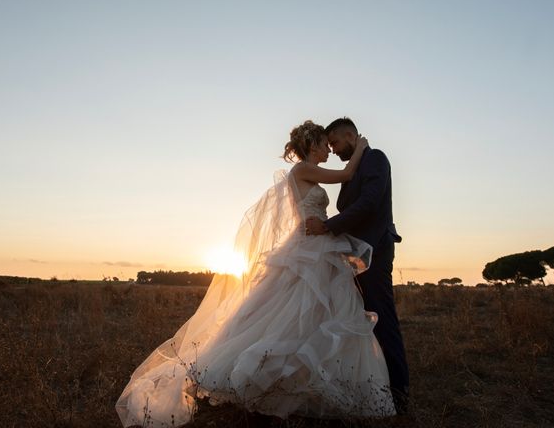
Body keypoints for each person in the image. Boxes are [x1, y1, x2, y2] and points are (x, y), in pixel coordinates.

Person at [116, 120, 395, 427]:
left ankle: (304, 386)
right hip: (309, 247)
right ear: (312, 145)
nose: (329, 148)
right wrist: (363, 148)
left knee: (313, 316)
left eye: (332, 144)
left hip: (318, 244)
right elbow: (346, 174)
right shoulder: (302, 170)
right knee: (293, 316)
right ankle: (269, 384)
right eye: (324, 144)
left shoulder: (307, 174)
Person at [305, 117, 409, 412]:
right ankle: (373, 384)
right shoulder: (357, 165)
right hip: (355, 256)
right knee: (363, 318)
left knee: (382, 315)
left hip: (375, 249)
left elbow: (370, 202)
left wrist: (327, 226)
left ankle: (400, 394)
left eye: (336, 142)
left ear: (350, 135)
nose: (334, 149)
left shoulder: (376, 158)